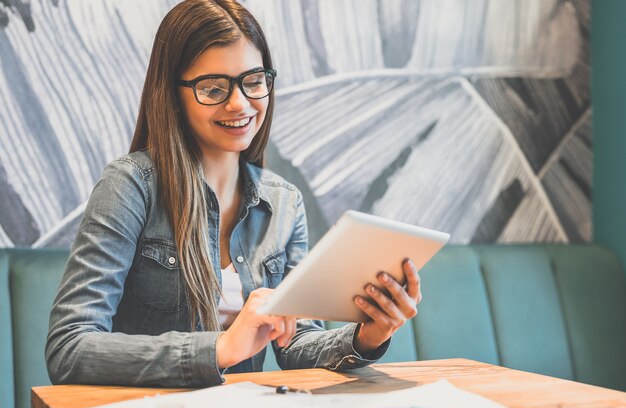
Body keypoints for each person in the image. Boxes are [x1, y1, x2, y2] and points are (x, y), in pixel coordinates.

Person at [46, 0, 422, 388]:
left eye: (254, 81)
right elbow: (69, 347)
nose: (240, 103)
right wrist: (221, 348)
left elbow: (296, 342)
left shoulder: (285, 202)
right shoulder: (130, 186)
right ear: (172, 94)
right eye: (213, 88)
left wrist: (368, 335)